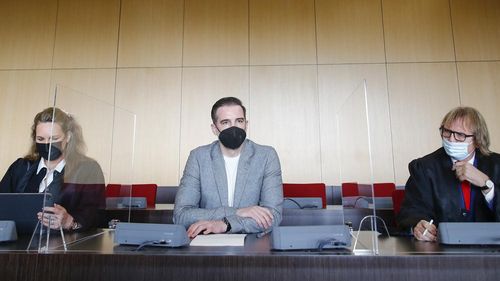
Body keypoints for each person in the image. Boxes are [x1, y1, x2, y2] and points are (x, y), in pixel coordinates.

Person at [174, 97, 283, 238]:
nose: (234, 127)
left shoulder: (266, 156)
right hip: (207, 244)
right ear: (214, 128)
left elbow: (273, 216)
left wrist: (225, 224)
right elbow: (181, 215)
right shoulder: (198, 157)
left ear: (246, 124)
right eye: (226, 122)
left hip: (251, 245)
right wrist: (237, 211)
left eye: (239, 121)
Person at [397, 106, 500, 241]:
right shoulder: (424, 167)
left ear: (477, 140)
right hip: (441, 249)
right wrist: (417, 225)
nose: (451, 139)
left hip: (492, 249)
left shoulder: (497, 164)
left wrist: (487, 185)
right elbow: (411, 210)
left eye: (460, 135)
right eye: (447, 132)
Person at [0, 107, 105, 232]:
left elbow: (97, 215)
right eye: (40, 139)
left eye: (54, 139)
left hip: (65, 247)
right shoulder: (20, 167)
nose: (47, 144)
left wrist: (70, 222)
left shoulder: (88, 169)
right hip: (18, 246)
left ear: (68, 137)